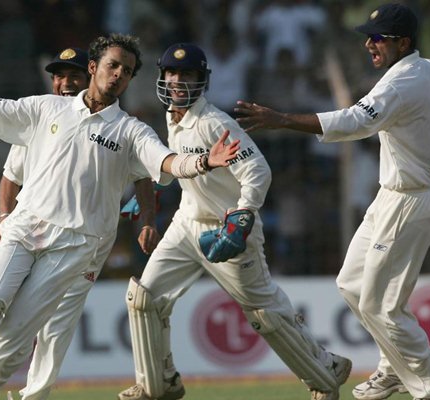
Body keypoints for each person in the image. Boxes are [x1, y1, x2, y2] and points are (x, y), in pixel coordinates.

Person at [0, 33, 240, 400]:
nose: (118, 74)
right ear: (93, 67)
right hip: (26, 225)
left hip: (76, 246)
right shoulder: (47, 108)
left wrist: (202, 162)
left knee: (14, 342)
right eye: (113, 65)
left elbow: (163, 163)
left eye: (127, 71)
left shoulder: (132, 130)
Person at [234, 4, 430, 400]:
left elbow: (352, 122)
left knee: (379, 306)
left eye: (379, 37)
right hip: (391, 198)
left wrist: (281, 118)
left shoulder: (399, 84)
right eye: (369, 36)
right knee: (350, 283)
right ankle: (394, 368)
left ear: (403, 43)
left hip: (409, 201)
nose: (370, 43)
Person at [118, 43, 352, 400]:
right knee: (144, 297)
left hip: (226, 226)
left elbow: (258, 170)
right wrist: (154, 188)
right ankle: (157, 384)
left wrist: (242, 214)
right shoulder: (172, 117)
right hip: (186, 222)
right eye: (172, 73)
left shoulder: (214, 122)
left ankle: (325, 374)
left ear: (202, 81)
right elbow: (178, 165)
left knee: (264, 314)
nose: (178, 81)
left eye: (188, 75)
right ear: (162, 77)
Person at [0, 46, 160, 400]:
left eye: (73, 76)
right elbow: (10, 177)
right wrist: (4, 219)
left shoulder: (119, 127)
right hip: (30, 233)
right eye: (59, 76)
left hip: (80, 246)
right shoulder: (38, 119)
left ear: (89, 77)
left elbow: (142, 178)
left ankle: (34, 395)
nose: (65, 83)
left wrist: (133, 215)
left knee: (56, 327)